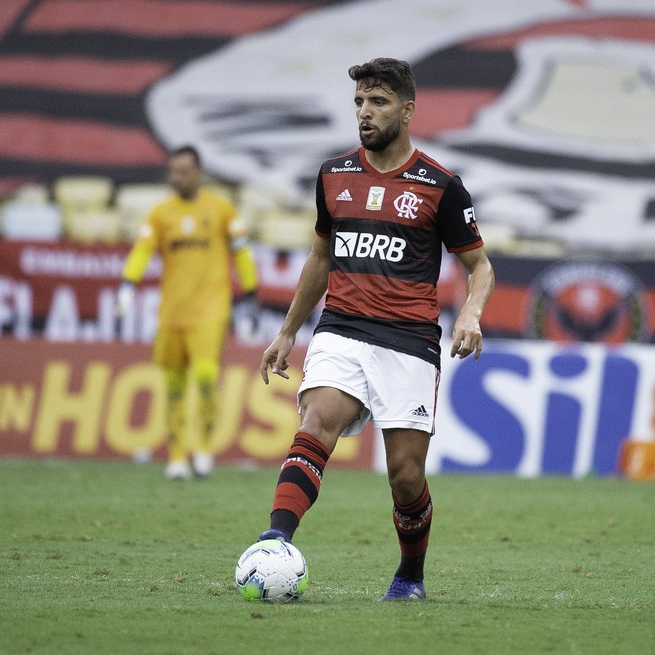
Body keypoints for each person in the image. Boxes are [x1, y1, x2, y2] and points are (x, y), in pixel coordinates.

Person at [257, 58, 495, 601]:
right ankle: (275, 540)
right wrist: (288, 331)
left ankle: (410, 574)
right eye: (360, 102)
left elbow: (481, 265)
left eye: (379, 102)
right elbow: (321, 257)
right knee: (317, 421)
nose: (365, 112)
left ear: (408, 110)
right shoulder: (333, 175)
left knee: (406, 478)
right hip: (341, 328)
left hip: (409, 342)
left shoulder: (440, 185)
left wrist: (471, 313)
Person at [117, 145, 259, 480]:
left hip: (211, 310)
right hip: (172, 313)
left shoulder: (222, 210)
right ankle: (177, 458)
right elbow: (141, 250)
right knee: (174, 386)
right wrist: (127, 283)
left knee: (208, 377)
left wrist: (251, 294)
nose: (176, 178)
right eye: (172, 171)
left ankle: (205, 449)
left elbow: (241, 254)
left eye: (183, 171)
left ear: (199, 173)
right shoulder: (160, 214)